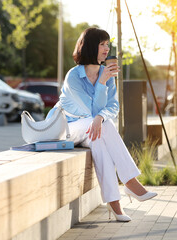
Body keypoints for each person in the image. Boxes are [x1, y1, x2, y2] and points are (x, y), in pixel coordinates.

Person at [50, 28, 157, 222]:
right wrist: (101, 83)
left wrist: (101, 115)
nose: (107, 48)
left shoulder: (106, 73)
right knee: (101, 126)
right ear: (91, 46)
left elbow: (113, 106)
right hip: (69, 128)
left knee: (99, 142)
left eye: (108, 44)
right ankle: (130, 182)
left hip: (93, 129)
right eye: (102, 44)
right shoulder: (73, 76)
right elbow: (89, 112)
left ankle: (114, 203)